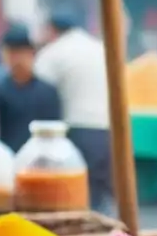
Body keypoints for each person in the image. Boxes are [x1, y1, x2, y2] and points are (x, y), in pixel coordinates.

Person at [34, 12, 113, 209]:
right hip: (105, 129)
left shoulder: (54, 52)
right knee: (96, 193)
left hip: (75, 129)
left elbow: (35, 86)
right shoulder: (98, 47)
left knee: (73, 195)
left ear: (51, 30)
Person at [0, 24, 62, 152]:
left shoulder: (47, 92)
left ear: (32, 54)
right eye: (11, 53)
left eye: (21, 53)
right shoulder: (0, 91)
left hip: (39, 157)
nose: (17, 60)